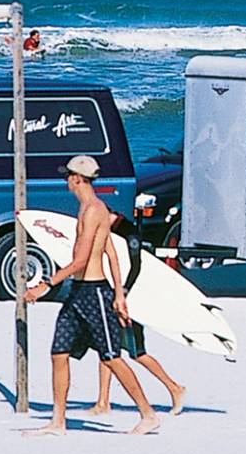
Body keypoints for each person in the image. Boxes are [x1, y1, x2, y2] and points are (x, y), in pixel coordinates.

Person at [21, 156, 161, 436]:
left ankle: (148, 414)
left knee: (111, 357)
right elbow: (110, 252)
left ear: (77, 178)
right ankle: (58, 422)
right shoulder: (89, 208)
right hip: (78, 293)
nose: (66, 181)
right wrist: (120, 292)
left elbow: (81, 260)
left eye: (68, 176)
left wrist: (45, 285)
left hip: (94, 293)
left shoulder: (94, 211)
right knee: (59, 353)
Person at [89, 212, 188, 417]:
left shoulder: (130, 234)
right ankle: (102, 401)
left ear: (114, 214)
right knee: (107, 349)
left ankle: (174, 387)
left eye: (106, 215)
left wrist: (124, 293)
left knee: (137, 353)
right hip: (116, 298)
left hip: (130, 302)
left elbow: (136, 267)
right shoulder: (110, 232)